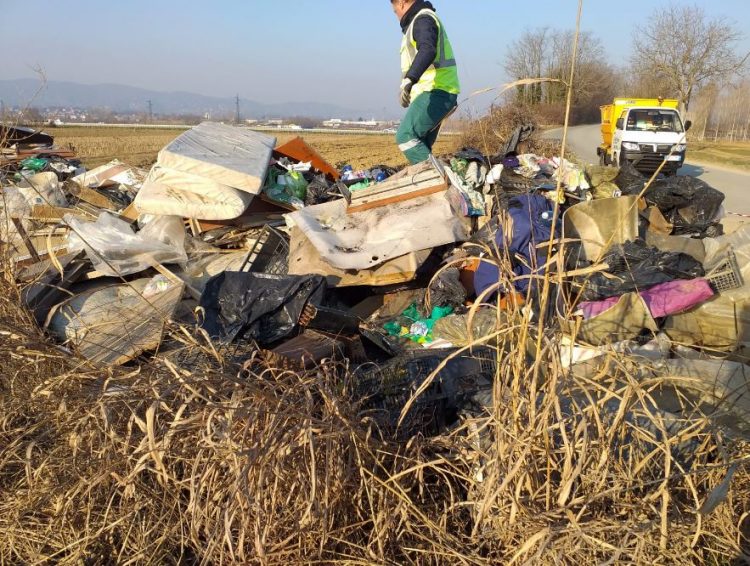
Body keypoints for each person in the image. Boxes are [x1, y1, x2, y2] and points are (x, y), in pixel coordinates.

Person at [391, 0, 460, 164]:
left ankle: (439, 180)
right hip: (436, 92)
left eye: (395, 11)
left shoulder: (422, 20)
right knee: (420, 146)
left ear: (401, 3)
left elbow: (427, 49)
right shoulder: (420, 20)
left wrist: (409, 80)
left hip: (437, 91)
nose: (396, 16)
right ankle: (436, 184)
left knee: (405, 136)